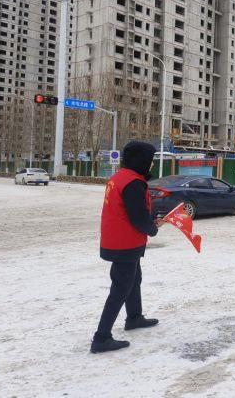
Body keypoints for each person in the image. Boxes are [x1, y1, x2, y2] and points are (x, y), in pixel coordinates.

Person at [91, 141, 162, 353]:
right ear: (141, 160)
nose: (151, 165)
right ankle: (101, 338)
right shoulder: (134, 183)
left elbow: (130, 210)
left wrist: (148, 220)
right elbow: (138, 218)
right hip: (125, 242)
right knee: (120, 287)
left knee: (134, 279)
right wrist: (152, 228)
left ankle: (134, 317)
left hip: (117, 239)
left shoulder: (119, 177)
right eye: (150, 160)